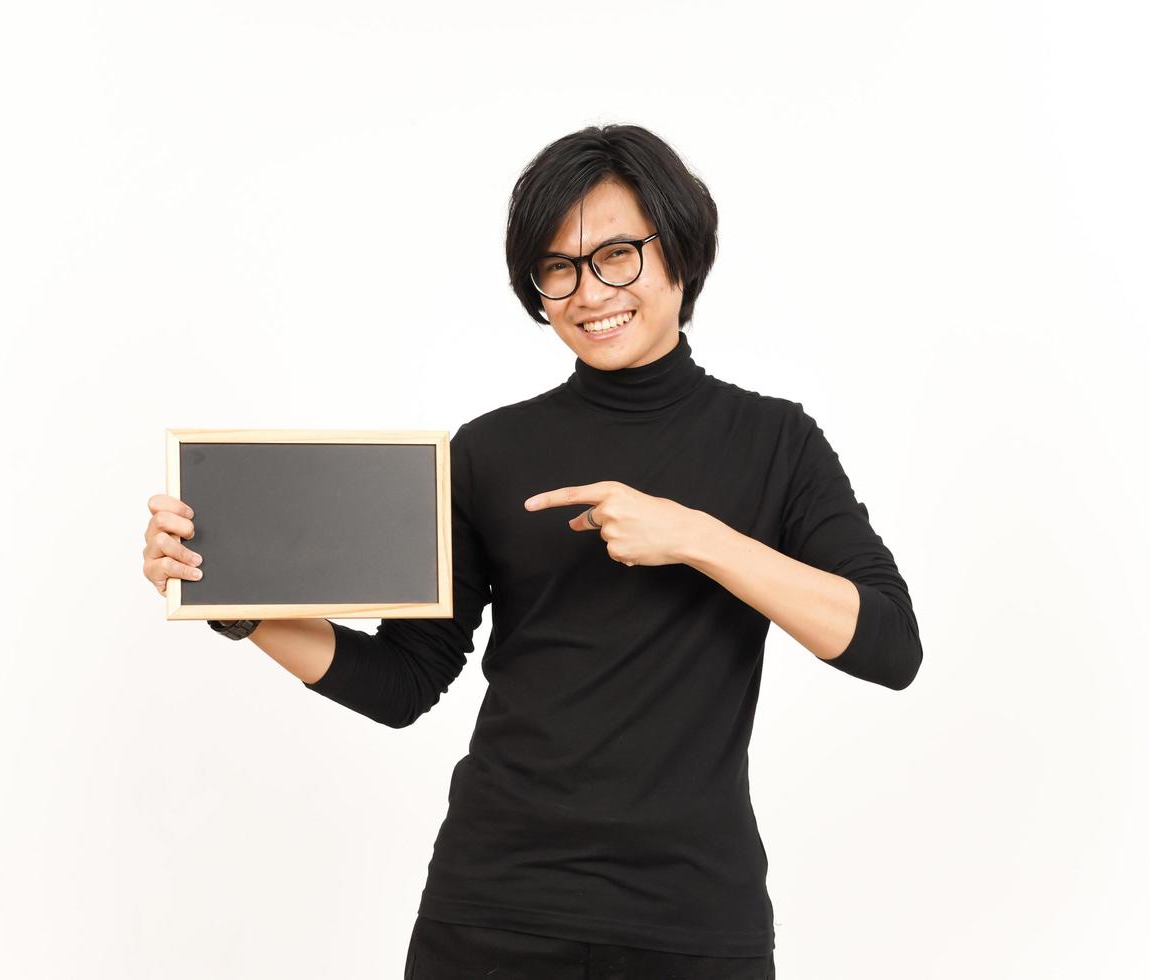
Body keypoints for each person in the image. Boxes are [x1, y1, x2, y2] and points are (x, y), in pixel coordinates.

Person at [142, 123, 923, 979]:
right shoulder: (488, 452)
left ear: (681, 252)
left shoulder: (776, 442)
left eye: (617, 254)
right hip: (491, 911)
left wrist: (697, 538)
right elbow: (405, 684)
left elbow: (888, 644)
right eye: (559, 269)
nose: (591, 292)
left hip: (693, 918)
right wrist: (239, 603)